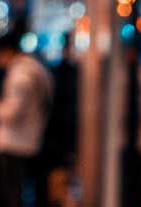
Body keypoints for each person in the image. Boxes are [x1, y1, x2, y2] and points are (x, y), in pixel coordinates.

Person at [0, 31, 52, 207]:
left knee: (11, 195)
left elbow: (10, 113)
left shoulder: (20, 74)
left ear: (6, 51)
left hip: (15, 143)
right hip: (31, 139)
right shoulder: (36, 67)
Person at [36, 33, 80, 206]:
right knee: (57, 176)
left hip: (58, 134)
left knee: (58, 176)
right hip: (59, 134)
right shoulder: (59, 72)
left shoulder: (60, 72)